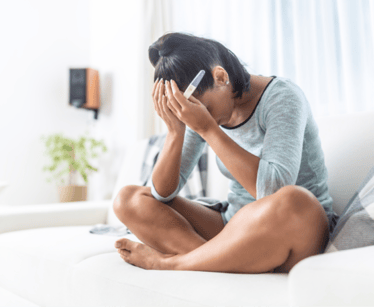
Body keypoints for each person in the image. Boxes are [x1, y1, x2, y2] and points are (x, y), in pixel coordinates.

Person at [113, 32, 338, 274]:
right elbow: (162, 193)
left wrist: (207, 128)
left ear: (220, 77)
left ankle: (172, 263)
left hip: (290, 225)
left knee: (294, 200)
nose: (202, 117)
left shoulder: (282, 97)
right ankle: (217, 261)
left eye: (206, 109)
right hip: (233, 225)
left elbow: (273, 190)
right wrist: (175, 131)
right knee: (129, 199)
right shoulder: (201, 114)